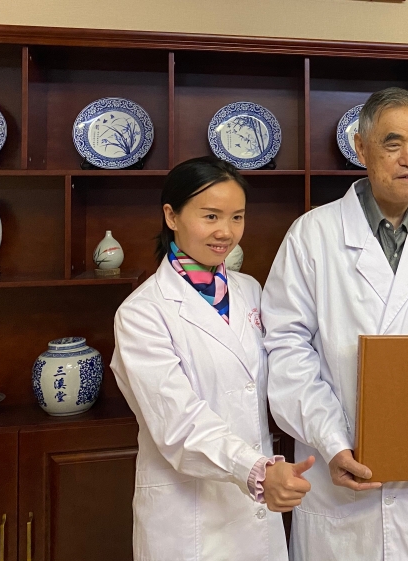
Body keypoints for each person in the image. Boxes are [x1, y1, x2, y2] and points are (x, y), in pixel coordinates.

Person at [262, 87, 408, 560]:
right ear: (361, 148)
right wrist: (333, 442)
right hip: (342, 481)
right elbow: (286, 350)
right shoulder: (312, 235)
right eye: (393, 143)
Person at [110, 156, 311, 561]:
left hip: (255, 511)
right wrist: (256, 470)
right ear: (172, 216)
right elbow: (178, 424)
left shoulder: (250, 290)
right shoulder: (142, 313)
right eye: (211, 216)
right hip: (188, 515)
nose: (226, 232)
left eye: (237, 217)